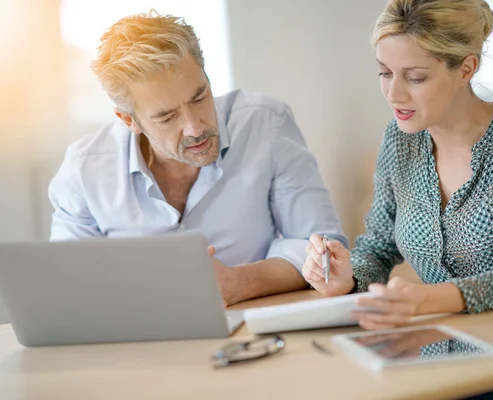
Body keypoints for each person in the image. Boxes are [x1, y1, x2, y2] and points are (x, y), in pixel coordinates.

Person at [304, 0, 493, 397]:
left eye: (416, 77)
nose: (394, 93)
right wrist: (348, 277)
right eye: (385, 73)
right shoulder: (399, 141)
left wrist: (430, 299)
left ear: (466, 68)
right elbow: (377, 246)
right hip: (451, 359)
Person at [48, 11, 346, 306]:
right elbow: (67, 282)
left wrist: (239, 283)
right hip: (136, 342)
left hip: (252, 327)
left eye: (199, 98)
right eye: (167, 116)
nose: (195, 127)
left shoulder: (267, 123)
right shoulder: (85, 168)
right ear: (129, 120)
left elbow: (323, 249)